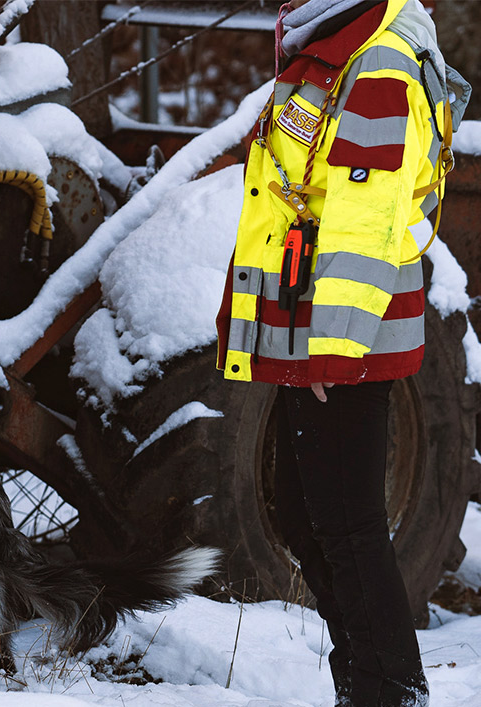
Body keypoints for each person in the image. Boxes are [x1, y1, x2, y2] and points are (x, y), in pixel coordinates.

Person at [216, 0, 470, 705]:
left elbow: (366, 219)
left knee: (349, 524)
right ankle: (366, 675)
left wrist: (333, 351)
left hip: (347, 336)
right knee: (308, 516)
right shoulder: (332, 44)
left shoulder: (379, 62)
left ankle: (388, 686)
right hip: (314, 325)